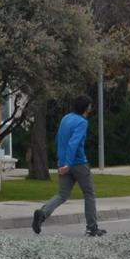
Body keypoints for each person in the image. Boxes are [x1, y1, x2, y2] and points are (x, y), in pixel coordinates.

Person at [32, 94, 103, 236]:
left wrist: (62, 162)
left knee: (62, 194)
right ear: (86, 107)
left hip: (63, 162)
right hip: (78, 164)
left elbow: (59, 139)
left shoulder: (66, 118)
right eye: (90, 105)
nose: (91, 108)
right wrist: (69, 164)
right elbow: (74, 143)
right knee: (89, 194)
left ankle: (42, 213)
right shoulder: (82, 122)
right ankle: (92, 227)